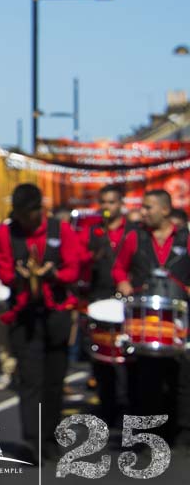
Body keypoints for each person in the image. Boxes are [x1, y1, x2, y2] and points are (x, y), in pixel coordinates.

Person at [0, 183, 83, 461]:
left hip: (55, 314)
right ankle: (34, 440)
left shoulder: (60, 230)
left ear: (38, 211)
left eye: (27, 215)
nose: (23, 221)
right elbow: (4, 270)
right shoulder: (6, 232)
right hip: (24, 314)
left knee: (54, 380)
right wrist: (20, 276)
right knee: (30, 380)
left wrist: (52, 274)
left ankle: (52, 437)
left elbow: (73, 267)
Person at [112, 189, 190, 448]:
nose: (142, 212)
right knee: (144, 379)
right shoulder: (135, 237)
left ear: (165, 210)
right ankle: (144, 435)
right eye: (143, 208)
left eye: (148, 208)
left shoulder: (185, 238)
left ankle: (180, 432)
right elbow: (119, 268)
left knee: (181, 379)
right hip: (145, 322)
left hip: (178, 322)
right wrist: (123, 284)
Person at [79, 183, 132, 428]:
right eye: (104, 203)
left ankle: (125, 405)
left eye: (111, 202)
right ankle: (106, 405)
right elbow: (81, 261)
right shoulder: (93, 232)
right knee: (100, 355)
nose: (107, 207)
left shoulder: (132, 230)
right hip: (99, 296)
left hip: (125, 298)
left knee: (125, 356)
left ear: (120, 204)